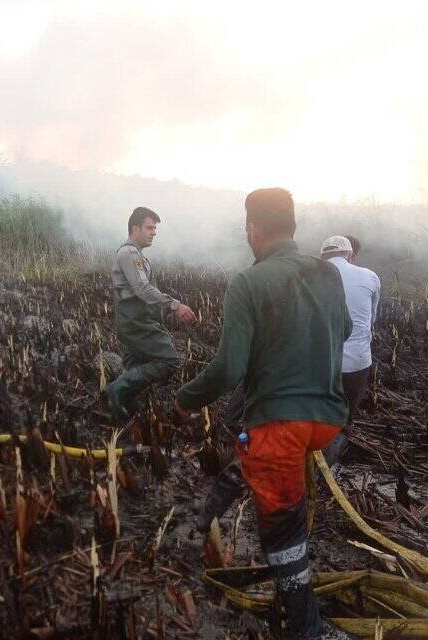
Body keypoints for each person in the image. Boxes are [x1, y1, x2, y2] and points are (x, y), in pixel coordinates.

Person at [175, 189, 352, 640]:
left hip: (281, 426)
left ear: (252, 228)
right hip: (331, 424)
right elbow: (345, 328)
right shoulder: (329, 273)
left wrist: (186, 398)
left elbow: (229, 368)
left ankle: (307, 629)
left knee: (283, 532)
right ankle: (206, 516)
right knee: (251, 450)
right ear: (293, 225)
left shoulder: (248, 283)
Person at [105, 207, 197, 420]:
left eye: (155, 229)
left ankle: (124, 410)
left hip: (136, 322)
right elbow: (143, 289)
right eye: (149, 228)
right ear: (135, 228)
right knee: (170, 360)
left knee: (134, 367)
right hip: (137, 324)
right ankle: (118, 388)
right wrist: (175, 305)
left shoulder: (137, 255)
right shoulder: (129, 254)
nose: (153, 232)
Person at [320, 235, 380, 466]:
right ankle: (329, 467)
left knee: (318, 415)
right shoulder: (370, 276)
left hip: (320, 364)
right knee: (344, 421)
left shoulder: (308, 278)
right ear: (350, 255)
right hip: (357, 363)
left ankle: (317, 468)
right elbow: (371, 320)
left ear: (322, 256)